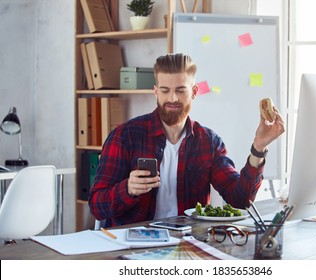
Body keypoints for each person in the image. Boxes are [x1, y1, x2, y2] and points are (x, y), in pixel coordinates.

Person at [89, 53, 285, 227]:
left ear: (194, 92)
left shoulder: (209, 142)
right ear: (155, 91)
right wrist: (128, 189)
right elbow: (97, 206)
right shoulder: (125, 136)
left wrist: (259, 148)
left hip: (189, 242)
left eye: (181, 90)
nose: (173, 98)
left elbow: (240, 201)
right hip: (134, 244)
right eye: (165, 90)